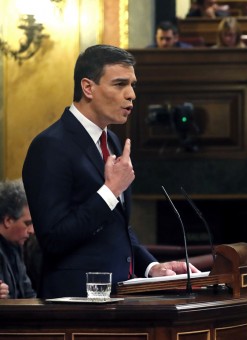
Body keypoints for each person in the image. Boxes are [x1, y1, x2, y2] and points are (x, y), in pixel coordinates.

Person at [22, 44, 199, 299]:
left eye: (132, 84)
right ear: (88, 88)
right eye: (119, 84)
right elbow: (52, 239)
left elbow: (116, 226)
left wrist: (151, 266)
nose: (131, 95)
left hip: (118, 296)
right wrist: (111, 190)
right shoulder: (50, 145)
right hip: (74, 303)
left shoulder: (113, 142)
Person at [0, 179, 36, 299]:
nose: (32, 231)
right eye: (27, 223)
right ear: (8, 220)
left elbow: (28, 294)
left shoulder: (16, 248)